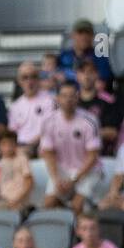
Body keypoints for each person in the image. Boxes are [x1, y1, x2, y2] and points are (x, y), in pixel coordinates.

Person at [40, 80, 104, 211]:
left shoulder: (90, 121)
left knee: (77, 205)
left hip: (88, 171)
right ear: (57, 98)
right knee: (49, 203)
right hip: (62, 171)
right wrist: (56, 178)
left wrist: (73, 180)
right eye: (64, 96)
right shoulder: (49, 122)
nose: (68, 99)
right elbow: (48, 153)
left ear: (77, 97)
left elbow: (93, 156)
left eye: (72, 95)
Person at [6, 61, 56, 156]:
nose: (29, 81)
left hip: (40, 145)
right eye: (25, 78)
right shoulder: (15, 106)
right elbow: (12, 132)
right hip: (20, 145)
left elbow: (49, 129)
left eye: (33, 77)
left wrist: (30, 145)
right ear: (19, 81)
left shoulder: (50, 101)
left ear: (38, 79)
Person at [58, 18, 113, 89]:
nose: (84, 36)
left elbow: (102, 83)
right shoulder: (63, 56)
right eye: (80, 32)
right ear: (72, 35)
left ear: (92, 36)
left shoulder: (100, 58)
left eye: (88, 33)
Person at [0, 131, 34, 213]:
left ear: (15, 145)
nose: (8, 148)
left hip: (19, 202)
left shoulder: (22, 159)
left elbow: (29, 183)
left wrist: (17, 200)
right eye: (4, 144)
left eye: (10, 144)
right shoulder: (2, 161)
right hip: (4, 200)